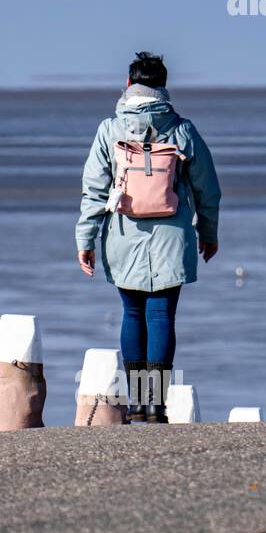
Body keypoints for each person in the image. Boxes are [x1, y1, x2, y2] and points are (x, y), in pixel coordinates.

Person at [75, 52, 221, 423]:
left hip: (123, 235)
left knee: (132, 312)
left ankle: (137, 404)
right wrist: (208, 233)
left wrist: (86, 240)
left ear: (128, 85)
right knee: (161, 316)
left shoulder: (110, 129)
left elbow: (93, 190)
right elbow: (208, 189)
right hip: (173, 237)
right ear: (163, 87)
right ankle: (156, 405)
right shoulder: (183, 129)